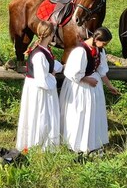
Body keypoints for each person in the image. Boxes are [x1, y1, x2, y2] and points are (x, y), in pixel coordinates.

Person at [60, 26, 121, 155]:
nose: (104, 46)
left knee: (92, 115)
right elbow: (72, 73)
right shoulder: (80, 51)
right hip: (79, 88)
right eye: (103, 43)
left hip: (93, 88)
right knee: (79, 114)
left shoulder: (99, 50)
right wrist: (88, 80)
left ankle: (91, 143)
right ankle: (76, 144)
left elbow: (101, 70)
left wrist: (109, 86)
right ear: (96, 39)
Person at [16, 20, 63, 151]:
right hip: (39, 90)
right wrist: (52, 75)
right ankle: (39, 145)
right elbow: (42, 80)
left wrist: (59, 67)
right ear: (51, 34)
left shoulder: (44, 50)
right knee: (41, 116)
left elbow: (51, 64)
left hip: (41, 88)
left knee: (44, 115)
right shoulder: (39, 55)